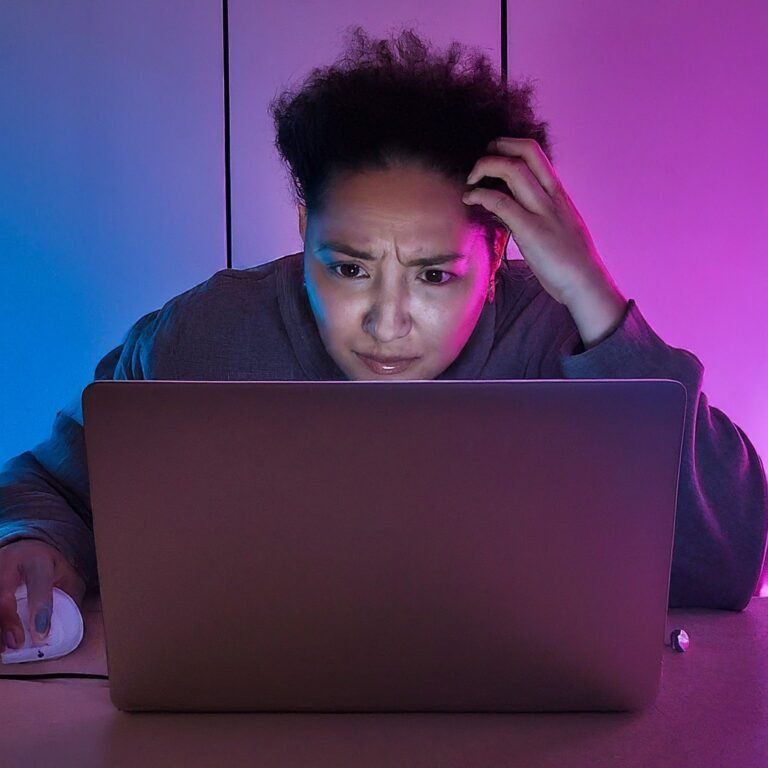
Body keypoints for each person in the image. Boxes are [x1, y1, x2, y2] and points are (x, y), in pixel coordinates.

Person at [1, 26, 766, 656]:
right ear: (303, 230)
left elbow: (730, 561)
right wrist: (31, 539)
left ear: (498, 256)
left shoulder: (561, 334)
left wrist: (596, 296)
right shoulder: (203, 335)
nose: (387, 323)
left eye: (434, 277)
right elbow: (52, 483)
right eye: (349, 268)